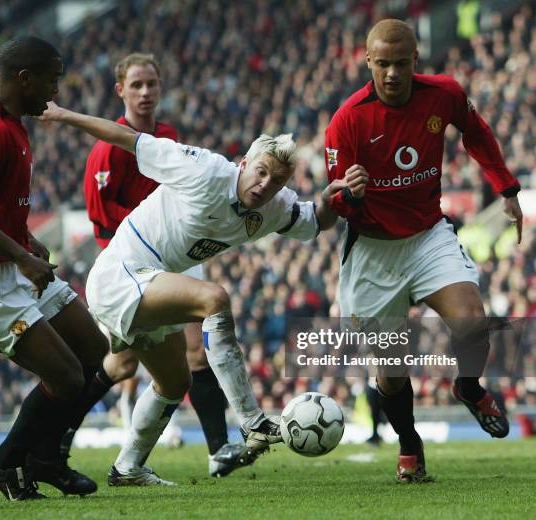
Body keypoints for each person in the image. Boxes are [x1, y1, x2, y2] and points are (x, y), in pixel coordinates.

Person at [38, 99, 357, 485]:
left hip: (155, 280)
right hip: (120, 273)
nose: (265, 185)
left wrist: (332, 202)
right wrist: (64, 114)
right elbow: (128, 138)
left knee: (174, 383)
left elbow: (314, 222)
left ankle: (127, 468)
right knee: (214, 298)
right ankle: (253, 422)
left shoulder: (274, 206)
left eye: (277, 181)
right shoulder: (202, 169)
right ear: (243, 164)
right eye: (260, 173)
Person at [324, 19, 523, 483]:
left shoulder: (444, 94)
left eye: (400, 63)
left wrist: (507, 187)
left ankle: (469, 388)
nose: (392, 73)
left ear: (415, 59)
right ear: (368, 61)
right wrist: (348, 195)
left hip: (428, 234)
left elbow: (476, 131)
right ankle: (409, 444)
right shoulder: (348, 119)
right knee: (391, 374)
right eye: (383, 64)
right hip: (372, 250)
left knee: (472, 320)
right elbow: (332, 203)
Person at [0, 36, 110, 500]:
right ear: (24, 78)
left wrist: (28, 243)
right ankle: (3, 463)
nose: (54, 93)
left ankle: (47, 460)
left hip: (11, 262)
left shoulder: (14, 125)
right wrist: (24, 257)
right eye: (51, 80)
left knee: (95, 352)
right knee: (68, 378)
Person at [62, 52, 246, 478]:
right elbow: (102, 223)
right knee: (121, 365)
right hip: (127, 263)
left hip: (177, 256)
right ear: (120, 90)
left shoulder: (168, 135)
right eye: (137, 85)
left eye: (152, 85)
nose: (146, 92)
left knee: (197, 350)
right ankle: (60, 433)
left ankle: (219, 451)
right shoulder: (109, 148)